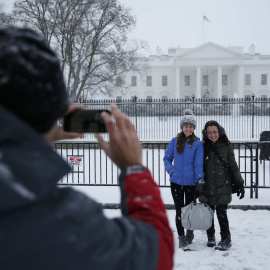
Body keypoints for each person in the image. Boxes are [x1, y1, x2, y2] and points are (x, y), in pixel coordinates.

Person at [0, 26, 174, 270]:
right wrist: (133, 168)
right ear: (56, 111)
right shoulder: (61, 224)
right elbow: (156, 254)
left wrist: (39, 135)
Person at [163, 109, 205, 251]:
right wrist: (171, 170)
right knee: (179, 211)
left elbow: (198, 164)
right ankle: (181, 237)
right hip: (176, 183)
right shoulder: (174, 142)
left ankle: (190, 231)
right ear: (182, 127)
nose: (188, 128)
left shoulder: (198, 144)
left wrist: (200, 180)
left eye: (191, 126)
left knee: (190, 210)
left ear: (194, 128)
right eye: (186, 126)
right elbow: (167, 159)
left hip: (191, 183)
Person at [202, 120, 245, 251]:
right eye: (209, 132)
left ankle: (226, 238)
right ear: (206, 134)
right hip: (208, 185)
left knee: (221, 213)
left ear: (219, 131)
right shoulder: (203, 146)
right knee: (208, 213)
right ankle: (211, 237)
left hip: (223, 185)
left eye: (214, 131)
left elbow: (233, 165)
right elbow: (200, 167)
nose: (212, 135)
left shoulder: (226, 146)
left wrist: (240, 183)